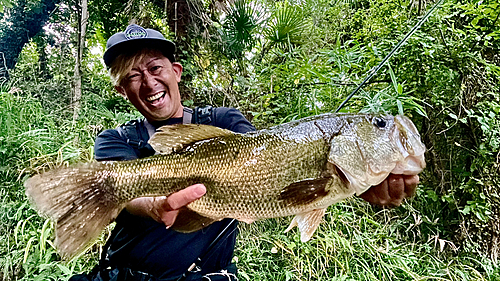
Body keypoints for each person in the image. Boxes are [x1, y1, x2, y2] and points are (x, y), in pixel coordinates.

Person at [79, 24, 419, 281]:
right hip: (124, 273)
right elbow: (120, 199)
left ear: (176, 72)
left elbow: (269, 163)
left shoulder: (223, 120)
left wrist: (361, 185)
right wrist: (153, 206)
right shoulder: (115, 140)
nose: (149, 82)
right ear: (122, 90)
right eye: (133, 76)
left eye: (155, 68)